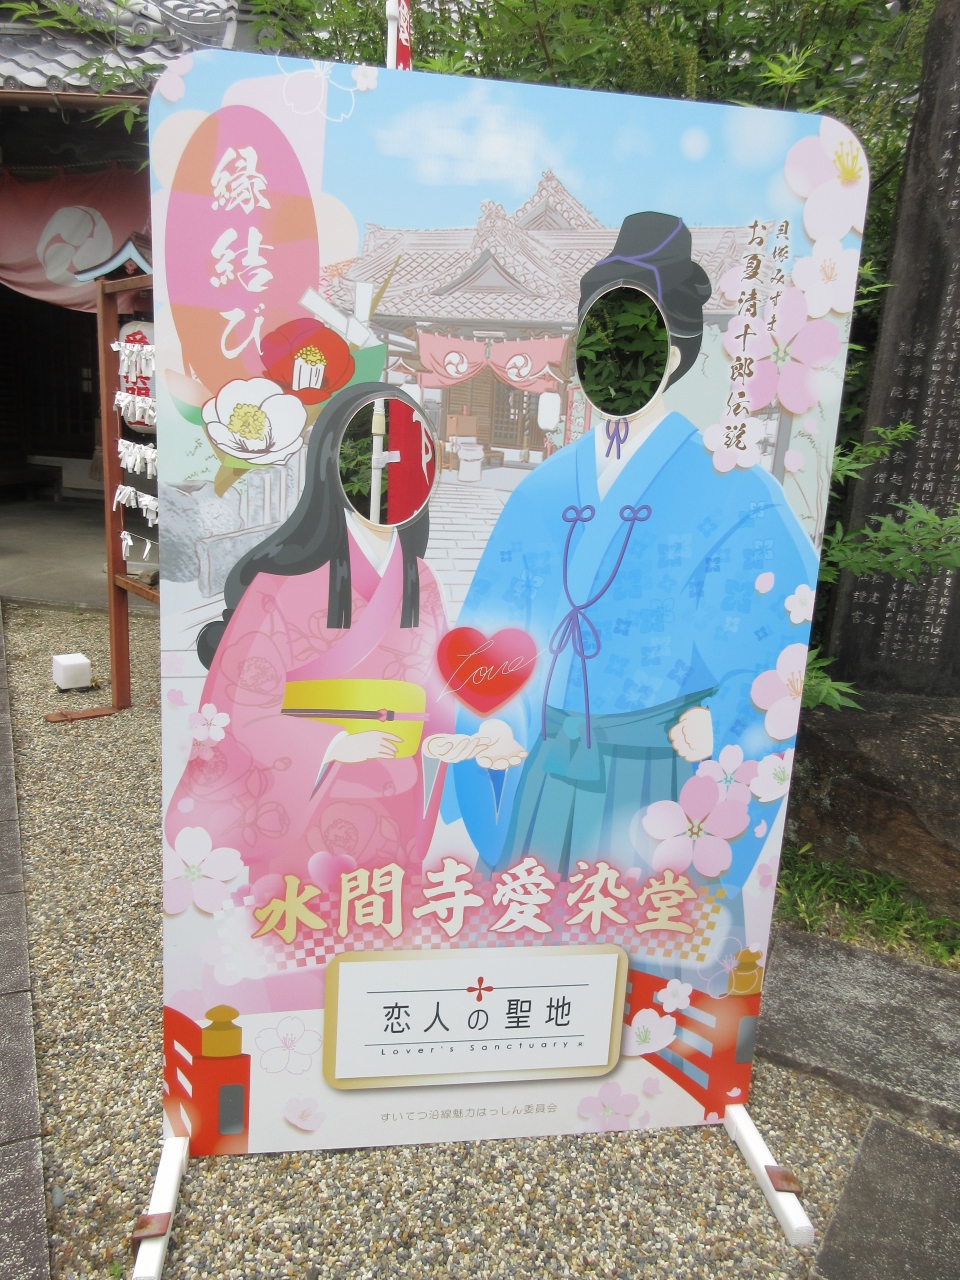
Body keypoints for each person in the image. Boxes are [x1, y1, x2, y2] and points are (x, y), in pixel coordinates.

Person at [440, 212, 818, 943]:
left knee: (636, 963)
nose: (611, 357)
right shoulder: (543, 490)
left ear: (673, 354)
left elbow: (777, 651)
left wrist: (723, 717)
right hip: (545, 774)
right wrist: (494, 725)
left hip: (658, 785)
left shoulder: (736, 492)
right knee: (531, 951)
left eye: (634, 336)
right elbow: (490, 639)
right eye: (597, 336)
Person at [164, 384, 454, 894]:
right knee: (304, 913)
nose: (386, 475)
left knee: (383, 913)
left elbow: (438, 687)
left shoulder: (421, 580)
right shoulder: (281, 583)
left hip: (397, 794)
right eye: (368, 459)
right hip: (309, 798)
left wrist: (456, 735)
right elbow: (242, 704)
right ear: (332, 467)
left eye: (408, 460)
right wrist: (336, 743)